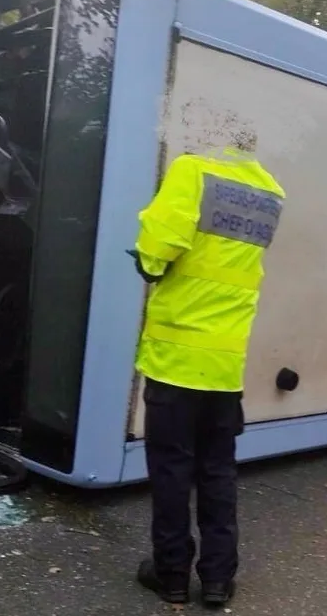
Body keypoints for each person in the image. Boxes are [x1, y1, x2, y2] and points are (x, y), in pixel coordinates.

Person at [129, 140, 285, 606]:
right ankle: (217, 579)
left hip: (176, 361)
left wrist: (146, 258)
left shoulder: (193, 170)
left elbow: (156, 251)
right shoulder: (268, 190)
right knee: (217, 471)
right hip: (224, 366)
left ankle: (172, 573)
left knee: (173, 470)